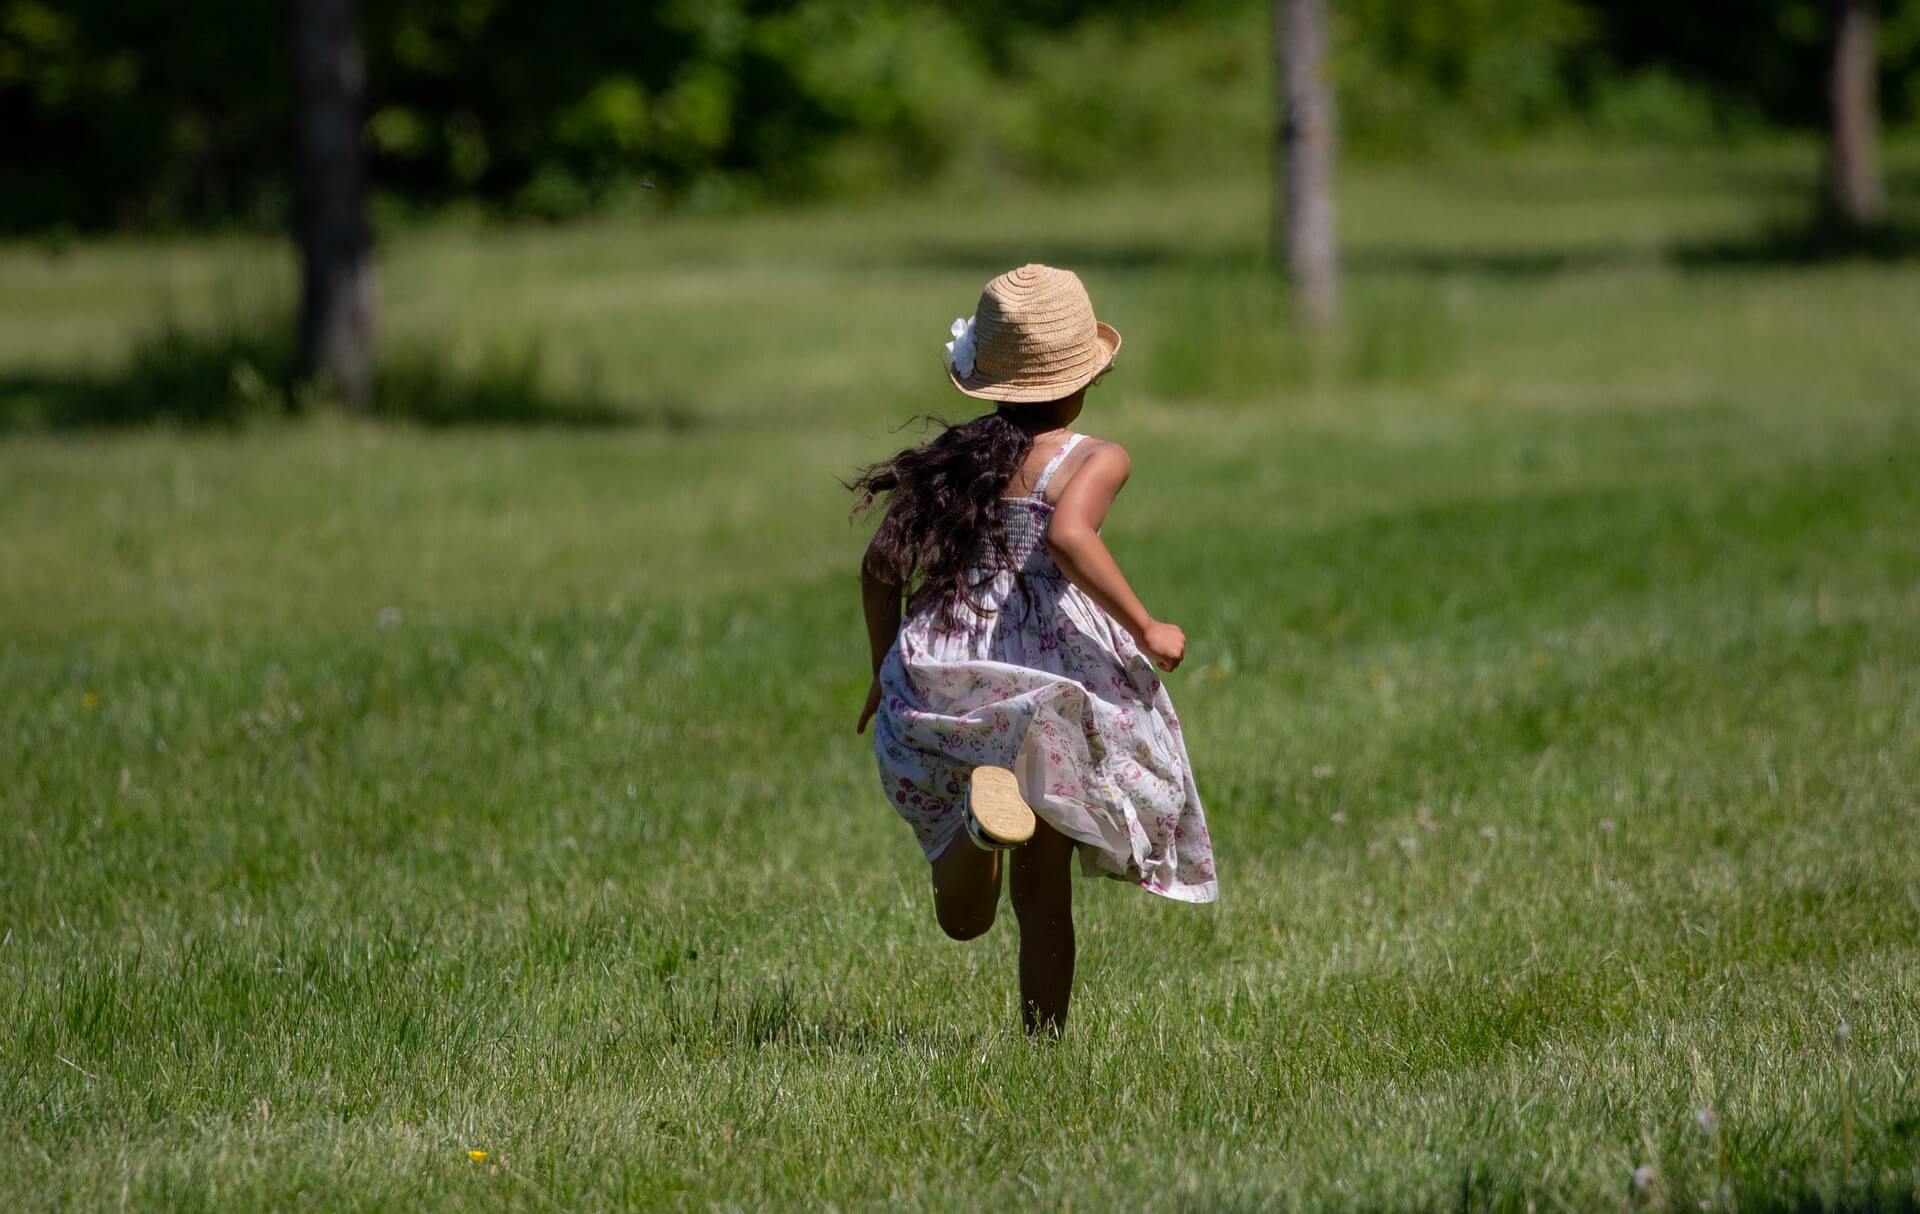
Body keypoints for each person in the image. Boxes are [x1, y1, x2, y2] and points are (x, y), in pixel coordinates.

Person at [851, 263, 1218, 1038]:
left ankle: (981, 830)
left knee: (964, 918)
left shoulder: (955, 460)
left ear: (986, 381)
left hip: (952, 668)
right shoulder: (1091, 458)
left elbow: (882, 568)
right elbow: (1068, 533)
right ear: (1084, 376)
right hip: (1042, 679)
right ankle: (1042, 1047)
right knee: (1045, 894)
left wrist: (884, 671)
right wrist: (1148, 628)